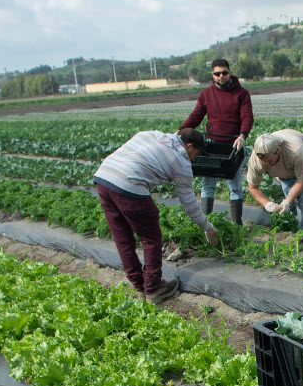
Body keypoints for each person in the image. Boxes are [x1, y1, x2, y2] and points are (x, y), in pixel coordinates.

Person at [94, 127, 220, 304]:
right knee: (151, 238)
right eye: (196, 153)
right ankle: (153, 289)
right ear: (189, 146)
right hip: (129, 185)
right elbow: (190, 205)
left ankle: (140, 287)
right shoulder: (181, 163)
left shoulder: (150, 134)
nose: (194, 158)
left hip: (104, 178)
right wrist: (208, 227)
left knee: (123, 240)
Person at [183, 57, 253, 225]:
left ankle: (237, 224)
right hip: (212, 144)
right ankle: (206, 223)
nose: (221, 76)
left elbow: (247, 116)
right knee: (207, 185)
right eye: (217, 73)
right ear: (212, 75)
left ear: (230, 73)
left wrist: (242, 136)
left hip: (233, 145)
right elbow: (196, 116)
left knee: (235, 186)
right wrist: (181, 131)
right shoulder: (206, 94)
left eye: (224, 73)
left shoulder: (241, 94)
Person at [245, 129, 303, 234]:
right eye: (263, 161)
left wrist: (287, 201)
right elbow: (253, 187)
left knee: (302, 196)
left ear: (278, 150)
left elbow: (302, 182)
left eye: (269, 160)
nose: (267, 163)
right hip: (284, 168)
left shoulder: (296, 152)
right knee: (289, 194)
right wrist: (267, 204)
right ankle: (294, 228)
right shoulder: (256, 161)